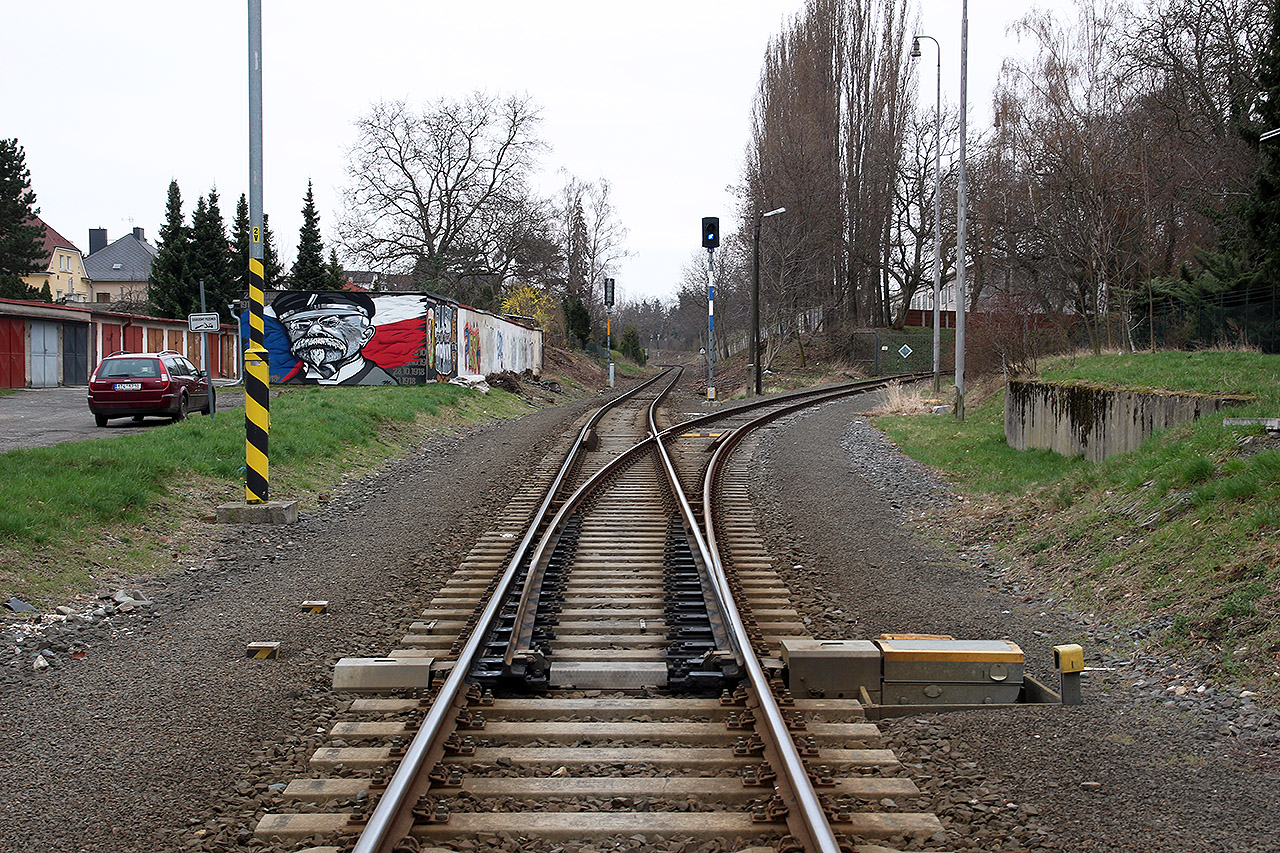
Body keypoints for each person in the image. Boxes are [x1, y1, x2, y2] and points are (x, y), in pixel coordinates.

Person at [272, 291, 398, 385]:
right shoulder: (291, 383)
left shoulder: (383, 383)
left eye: (330, 322)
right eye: (301, 325)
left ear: (365, 335)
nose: (313, 331)